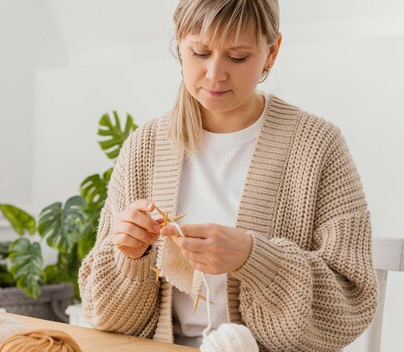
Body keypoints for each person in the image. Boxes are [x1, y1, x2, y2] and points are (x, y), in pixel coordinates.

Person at [78, 0, 378, 350]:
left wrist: (256, 259)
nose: (215, 74)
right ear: (179, 44)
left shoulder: (318, 146)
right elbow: (104, 316)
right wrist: (128, 257)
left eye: (238, 57)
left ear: (272, 51)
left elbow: (351, 302)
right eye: (200, 52)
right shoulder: (145, 147)